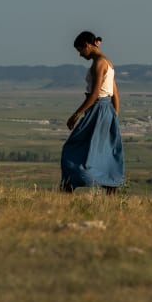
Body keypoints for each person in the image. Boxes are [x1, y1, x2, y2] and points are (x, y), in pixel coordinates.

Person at [60, 31, 125, 194]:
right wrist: (114, 115)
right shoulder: (107, 62)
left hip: (97, 108)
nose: (81, 55)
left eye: (80, 50)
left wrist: (77, 114)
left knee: (72, 147)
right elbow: (115, 92)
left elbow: (96, 93)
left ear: (87, 45)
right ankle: (110, 186)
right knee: (103, 150)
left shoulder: (99, 63)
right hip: (106, 110)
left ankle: (69, 185)